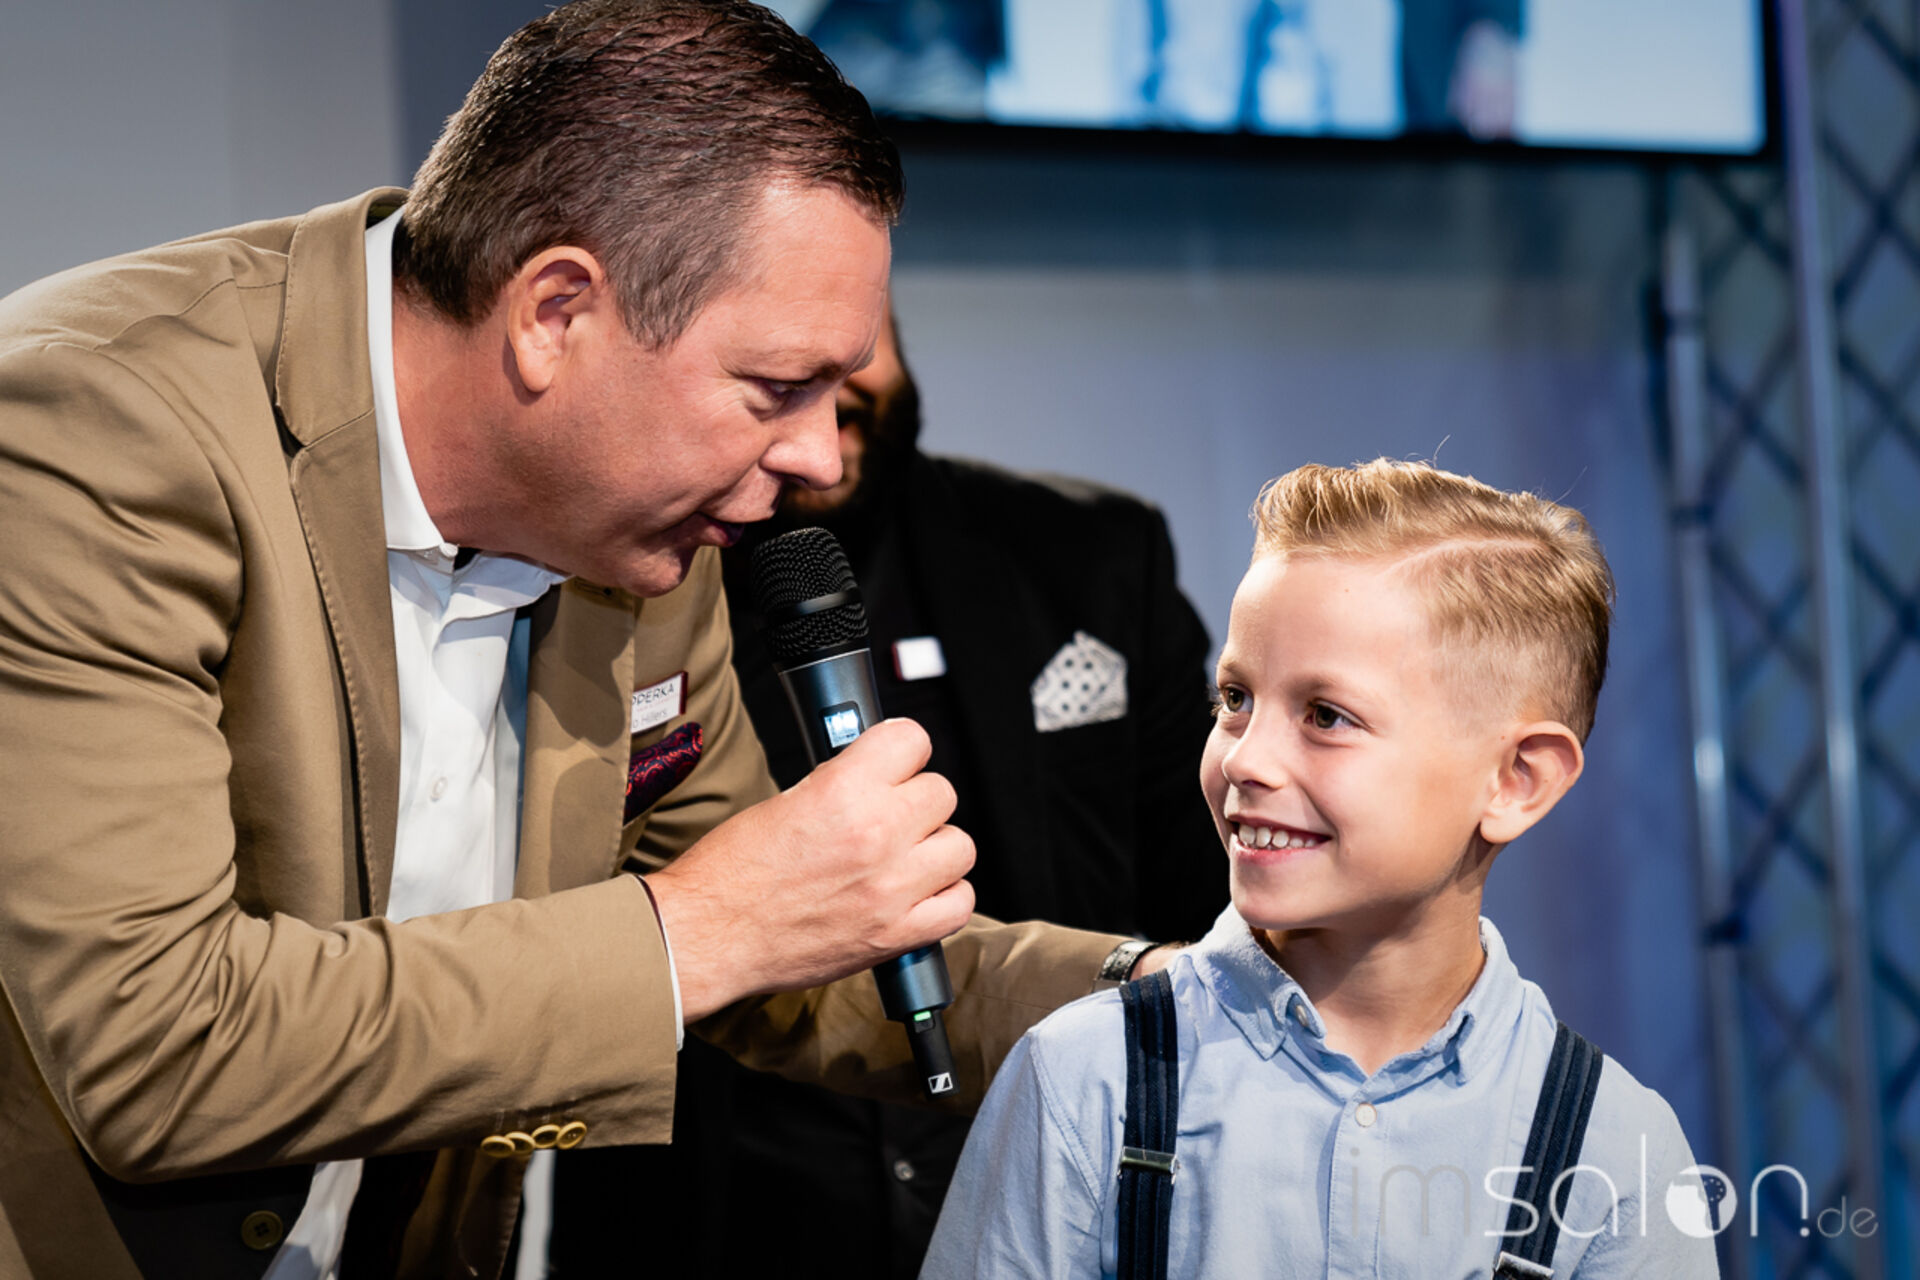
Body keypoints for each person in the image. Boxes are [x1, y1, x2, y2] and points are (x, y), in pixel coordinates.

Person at [0, 5, 1152, 1277]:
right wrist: (693, 927)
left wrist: (1184, 1006)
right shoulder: (93, 429)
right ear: (555, 312)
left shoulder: (635, 525)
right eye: (778, 389)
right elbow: (156, 1050)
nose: (822, 457)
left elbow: (794, 952)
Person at [552, 297, 1225, 1277]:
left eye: (857, 350)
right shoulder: (624, 588)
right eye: (784, 370)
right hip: (713, 1219)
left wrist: (1188, 999)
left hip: (1058, 1202)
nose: (825, 416)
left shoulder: (1089, 558)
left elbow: (1209, 883)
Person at [922, 459, 1722, 1277]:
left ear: (1517, 779)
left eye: (1327, 716)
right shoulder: (1082, 1080)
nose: (1245, 759)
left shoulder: (1617, 1152)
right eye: (1234, 699)